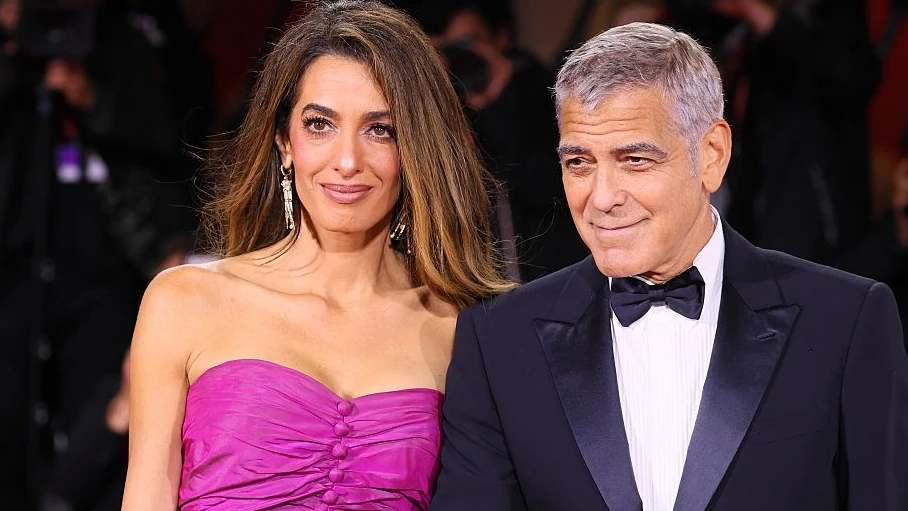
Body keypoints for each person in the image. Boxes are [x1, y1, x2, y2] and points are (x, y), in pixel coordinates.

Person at [430, 22, 908, 511]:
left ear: (712, 155)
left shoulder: (844, 320)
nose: (602, 198)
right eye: (579, 163)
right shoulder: (498, 340)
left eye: (635, 160)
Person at [121, 1, 511, 509]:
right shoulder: (185, 301)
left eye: (380, 129)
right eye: (320, 125)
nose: (347, 161)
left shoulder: (461, 328)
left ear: (415, 148)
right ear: (284, 142)